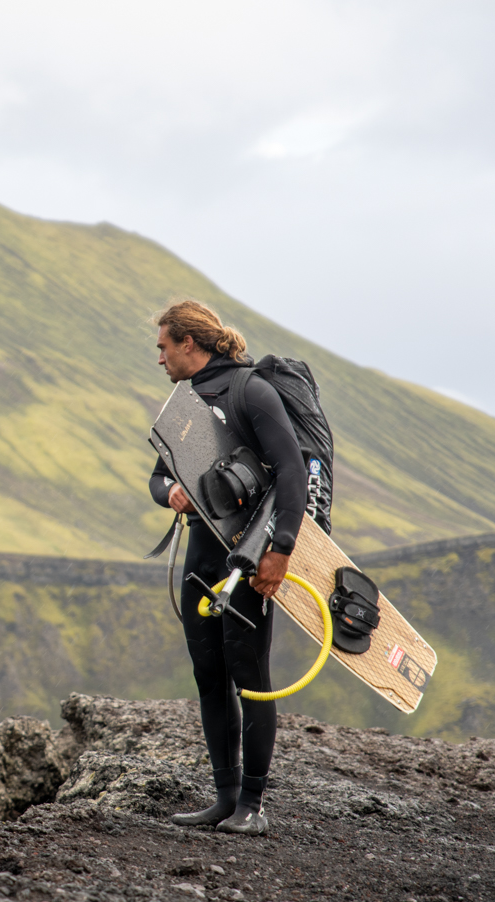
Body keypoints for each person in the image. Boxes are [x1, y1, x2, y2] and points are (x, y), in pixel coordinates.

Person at [149, 300, 307, 836]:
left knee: (250, 678)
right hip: (202, 553)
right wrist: (170, 490)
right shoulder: (183, 404)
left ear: (188, 344)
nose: (161, 358)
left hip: (249, 556)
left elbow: (291, 472)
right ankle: (224, 798)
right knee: (208, 677)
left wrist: (279, 550)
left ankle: (253, 806)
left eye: (164, 346)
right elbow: (156, 476)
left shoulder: (251, 391)